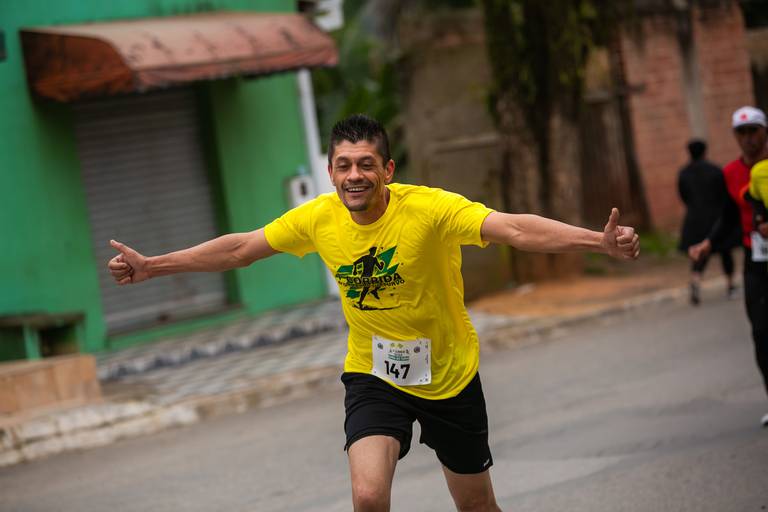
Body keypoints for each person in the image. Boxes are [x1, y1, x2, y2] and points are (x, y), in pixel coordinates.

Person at [108, 114, 639, 511]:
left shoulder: (429, 210)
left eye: (366, 164)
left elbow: (515, 228)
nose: (354, 176)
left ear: (387, 169)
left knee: (477, 506)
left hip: (450, 375)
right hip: (375, 373)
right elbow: (241, 248)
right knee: (367, 497)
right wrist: (153, 266)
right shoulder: (319, 218)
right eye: (343, 166)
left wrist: (597, 242)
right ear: (331, 172)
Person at [689, 106, 768, 428]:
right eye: (741, 133)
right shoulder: (731, 172)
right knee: (761, 332)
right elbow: (730, 215)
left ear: (764, 131)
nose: (748, 139)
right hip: (755, 259)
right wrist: (709, 242)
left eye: (754, 131)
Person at [677, 139, 739, 305]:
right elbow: (724, 194)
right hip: (716, 218)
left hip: (695, 220)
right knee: (725, 252)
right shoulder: (716, 170)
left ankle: (695, 281)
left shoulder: (684, 173)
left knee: (699, 253)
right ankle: (730, 286)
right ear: (705, 152)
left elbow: (683, 195)